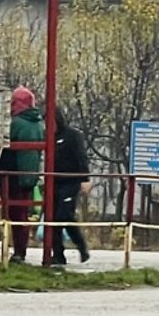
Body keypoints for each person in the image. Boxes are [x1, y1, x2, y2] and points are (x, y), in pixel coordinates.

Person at [0, 85, 45, 263]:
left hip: (13, 173)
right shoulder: (39, 124)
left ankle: (16, 252)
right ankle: (20, 251)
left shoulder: (15, 123)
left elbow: (3, 143)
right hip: (30, 175)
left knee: (13, 213)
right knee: (22, 213)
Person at [46, 110, 92, 266]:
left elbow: (81, 157)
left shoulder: (73, 136)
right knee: (52, 218)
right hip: (53, 182)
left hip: (71, 181)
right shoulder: (48, 137)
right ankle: (58, 254)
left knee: (64, 214)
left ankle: (81, 245)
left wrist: (85, 179)